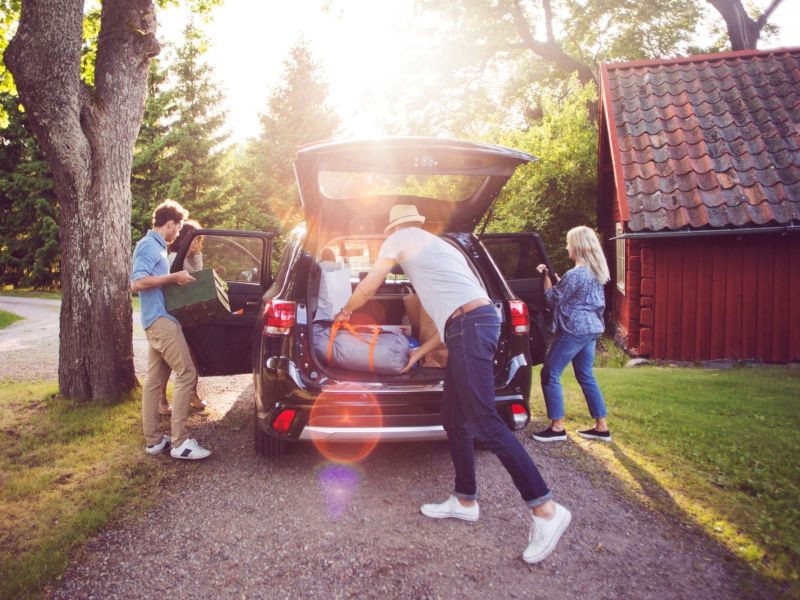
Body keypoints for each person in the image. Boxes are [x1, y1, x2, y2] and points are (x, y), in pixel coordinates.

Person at [333, 204, 571, 564]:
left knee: (484, 421)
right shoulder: (441, 246)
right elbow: (456, 312)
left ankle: (546, 509)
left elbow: (370, 284)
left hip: (471, 326)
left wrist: (346, 310)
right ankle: (464, 499)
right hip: (470, 325)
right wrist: (420, 352)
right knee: (453, 417)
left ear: (392, 229)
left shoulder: (399, 238)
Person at [130, 200, 211, 461]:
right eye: (177, 229)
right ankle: (180, 442)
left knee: (153, 383)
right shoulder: (147, 246)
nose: (178, 234)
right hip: (161, 322)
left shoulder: (158, 248)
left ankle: (154, 441)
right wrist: (173, 278)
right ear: (169, 224)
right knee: (187, 372)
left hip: (157, 320)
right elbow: (137, 283)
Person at [532, 226, 612, 443]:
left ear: (576, 245)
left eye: (569, 242)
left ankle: (557, 428)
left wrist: (546, 277)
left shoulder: (576, 274)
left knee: (550, 373)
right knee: (585, 375)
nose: (567, 246)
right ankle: (601, 427)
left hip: (575, 330)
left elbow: (551, 299)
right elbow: (572, 295)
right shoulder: (596, 271)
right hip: (592, 328)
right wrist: (558, 280)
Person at [160, 219, 207, 415]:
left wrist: (195, 252)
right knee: (171, 361)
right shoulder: (173, 259)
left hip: (188, 315)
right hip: (172, 315)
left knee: (190, 355)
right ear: (186, 240)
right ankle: (162, 400)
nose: (198, 244)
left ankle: (192, 394)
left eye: (200, 240)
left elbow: (198, 278)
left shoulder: (193, 257)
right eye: (195, 240)